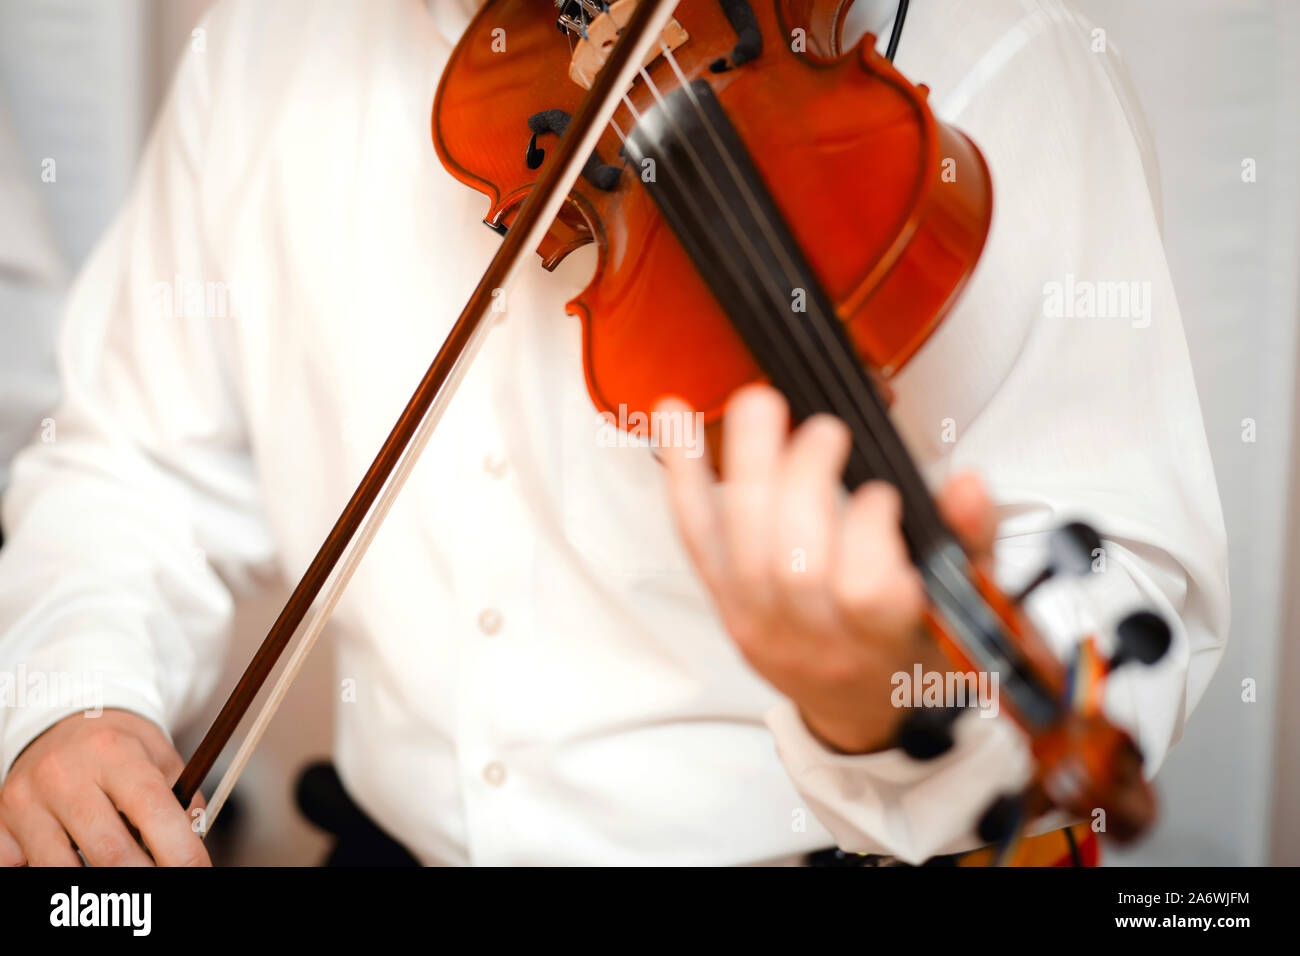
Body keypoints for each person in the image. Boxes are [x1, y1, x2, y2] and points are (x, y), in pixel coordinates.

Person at [0, 0, 1227, 866]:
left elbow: (1121, 573)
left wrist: (883, 698)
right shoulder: (273, 38)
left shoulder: (1007, 62)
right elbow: (130, 458)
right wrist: (78, 697)